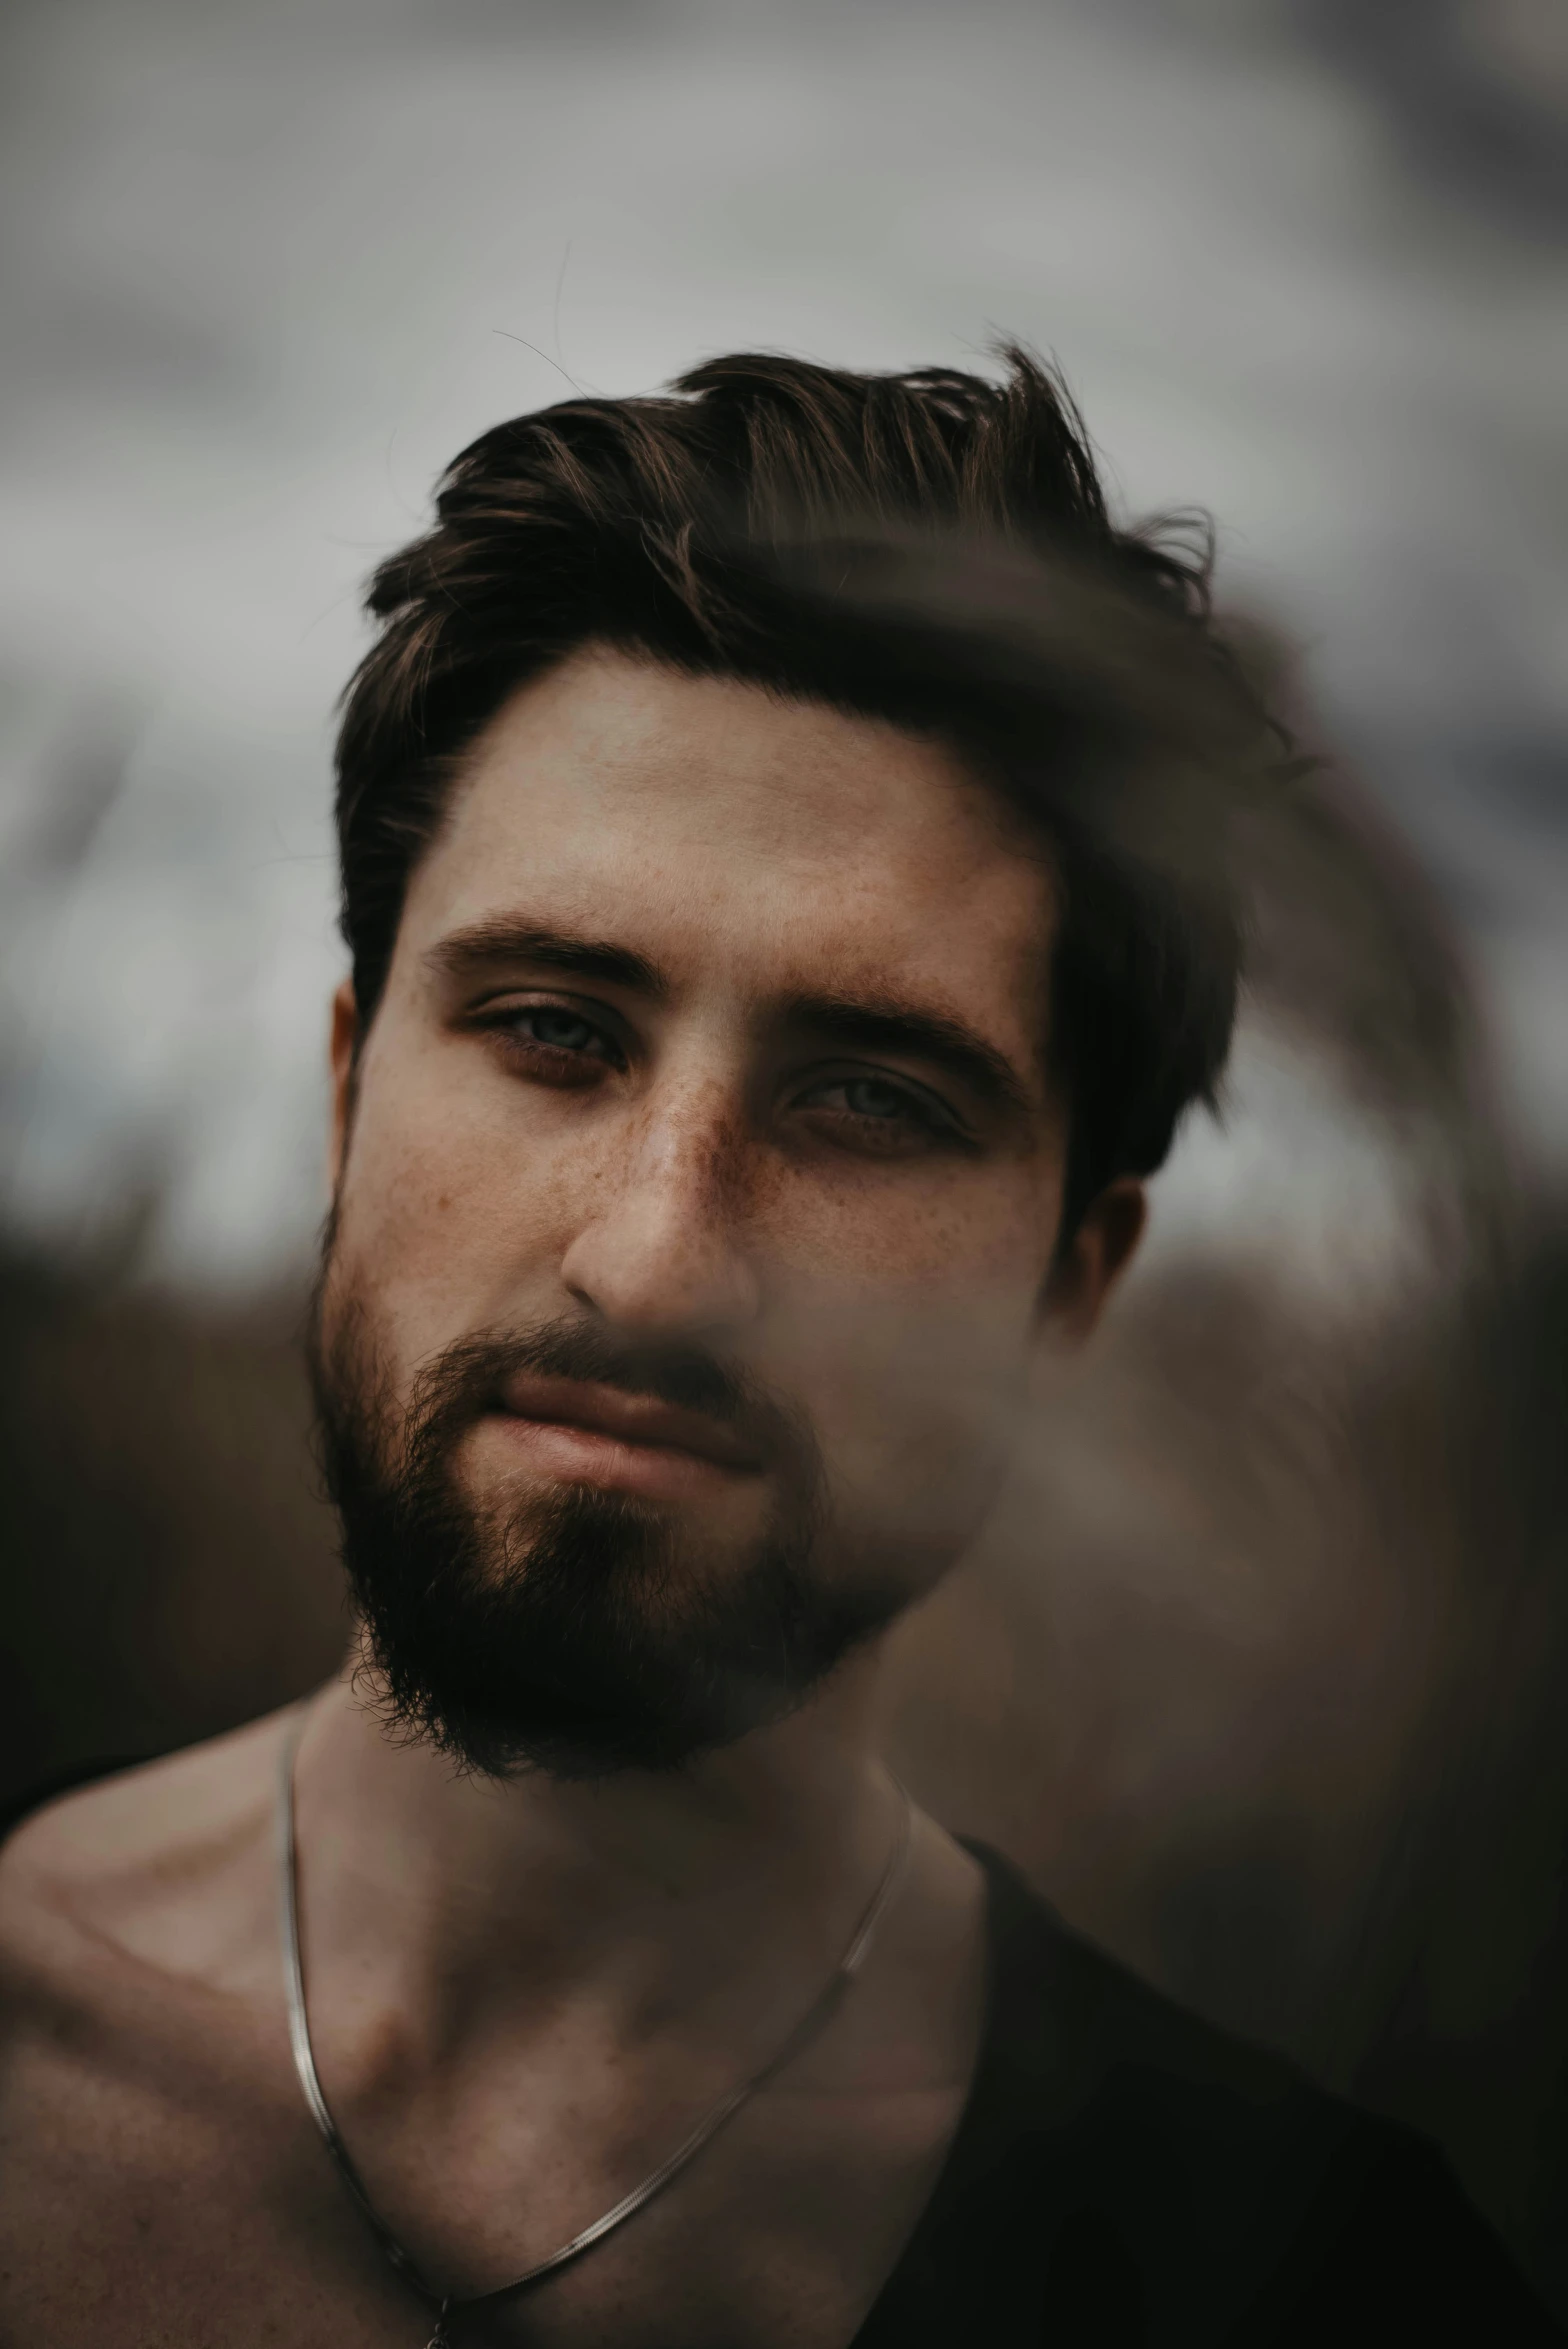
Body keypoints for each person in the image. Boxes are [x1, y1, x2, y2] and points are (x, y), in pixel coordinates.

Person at [0, 349, 1554, 2348]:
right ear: (341, 1100)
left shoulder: (1316, 2290)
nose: (650, 1267)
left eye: (872, 1103)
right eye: (552, 1027)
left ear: (1071, 1287)